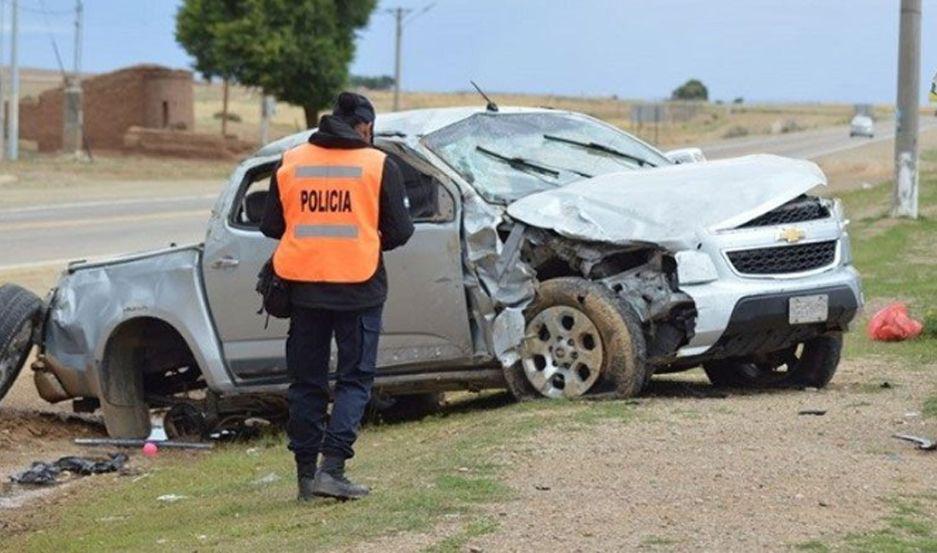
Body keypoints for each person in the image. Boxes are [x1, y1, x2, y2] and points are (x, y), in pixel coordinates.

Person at [260, 92, 414, 500]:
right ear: (365, 127)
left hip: (304, 289)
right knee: (354, 380)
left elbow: (271, 225)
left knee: (306, 384)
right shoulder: (378, 165)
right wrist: (364, 234)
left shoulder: (291, 161)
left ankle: (307, 480)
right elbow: (400, 231)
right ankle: (334, 468)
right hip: (359, 291)